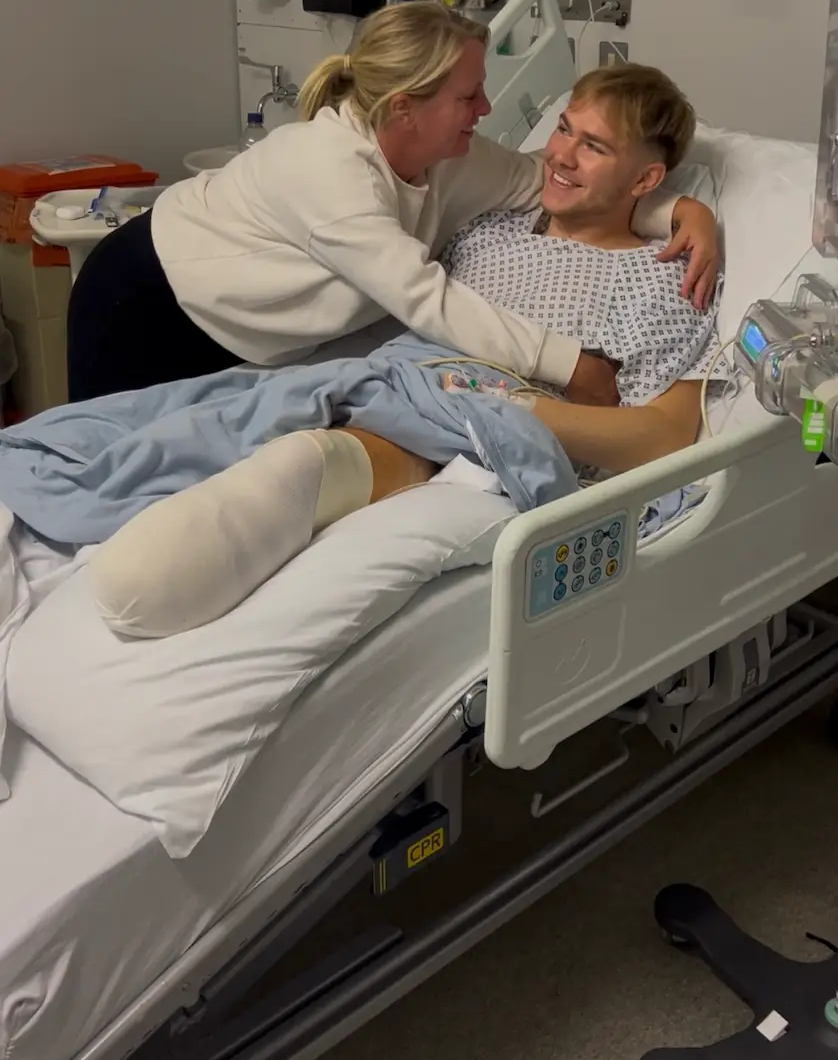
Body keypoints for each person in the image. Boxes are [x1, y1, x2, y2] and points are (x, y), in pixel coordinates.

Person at [71, 61, 728, 639]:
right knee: (153, 435)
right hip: (369, 383)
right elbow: (423, 296)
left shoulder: (661, 279)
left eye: (593, 147)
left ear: (646, 178)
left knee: (310, 469)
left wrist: (511, 411)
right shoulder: (484, 222)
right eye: (563, 128)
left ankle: (216, 535)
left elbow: (667, 434)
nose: (560, 154)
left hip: (464, 437)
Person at [65, 3, 717, 406]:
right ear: (405, 110)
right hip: (146, 304)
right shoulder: (330, 175)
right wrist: (570, 364)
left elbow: (540, 180)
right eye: (469, 97)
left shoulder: (451, 156)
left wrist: (684, 213)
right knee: (107, 465)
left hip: (253, 338)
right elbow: (423, 296)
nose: (486, 110)